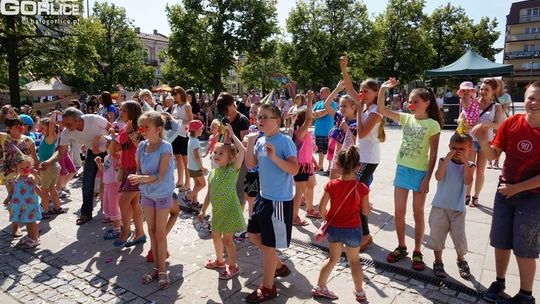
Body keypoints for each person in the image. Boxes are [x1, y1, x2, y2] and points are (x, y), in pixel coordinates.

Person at [473, 81, 540, 304]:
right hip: (504, 192)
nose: (534, 103)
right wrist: (483, 141)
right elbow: (493, 156)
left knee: (525, 247)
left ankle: (525, 295)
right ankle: (499, 282)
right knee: (500, 241)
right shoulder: (512, 122)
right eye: (531, 98)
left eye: (539, 99)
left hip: (532, 197)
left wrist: (516, 188)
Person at [377, 78, 443, 271]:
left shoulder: (433, 125)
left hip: (420, 173)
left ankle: (417, 251)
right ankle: (401, 246)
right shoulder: (406, 118)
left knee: (418, 213)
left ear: (427, 103)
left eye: (416, 102)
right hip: (402, 170)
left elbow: (433, 156)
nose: (411, 105)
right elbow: (381, 109)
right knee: (399, 212)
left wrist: (427, 180)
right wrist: (382, 89)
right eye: (410, 101)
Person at [245, 103, 298, 303]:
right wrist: (250, 142)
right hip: (262, 197)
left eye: (265, 117)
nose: (260, 121)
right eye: (259, 117)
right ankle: (278, 265)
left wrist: (275, 156)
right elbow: (250, 165)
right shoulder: (259, 141)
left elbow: (294, 169)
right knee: (252, 234)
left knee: (268, 246)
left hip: (278, 201)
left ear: (277, 120)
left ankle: (268, 288)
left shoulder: (284, 141)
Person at [312, 146, 369, 302]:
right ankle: (359, 292)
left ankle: (320, 286)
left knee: (332, 258)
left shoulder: (331, 185)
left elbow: (321, 207)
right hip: (353, 229)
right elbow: (365, 212)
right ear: (358, 166)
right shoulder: (362, 188)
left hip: (334, 228)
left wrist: (326, 220)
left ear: (338, 165)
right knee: (354, 261)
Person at [341, 55, 385, 251]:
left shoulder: (376, 110)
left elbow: (364, 132)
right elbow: (349, 88)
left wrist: (358, 111)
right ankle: (361, 232)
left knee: (355, 194)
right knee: (357, 195)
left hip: (368, 159)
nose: (362, 93)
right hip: (362, 157)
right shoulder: (365, 106)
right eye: (361, 91)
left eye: (366, 91)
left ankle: (365, 235)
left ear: (376, 93)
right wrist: (344, 68)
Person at [128, 111, 176, 290]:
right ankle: (157, 267)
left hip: (162, 194)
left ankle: (162, 271)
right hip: (147, 194)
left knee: (160, 233)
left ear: (158, 129)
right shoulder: (141, 146)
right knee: (152, 231)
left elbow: (161, 175)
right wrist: (138, 177)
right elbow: (140, 170)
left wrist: (140, 178)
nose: (142, 130)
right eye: (141, 127)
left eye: (146, 127)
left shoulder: (165, 147)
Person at [40, 107, 109, 225]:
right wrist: (49, 162)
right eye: (64, 123)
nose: (66, 126)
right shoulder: (67, 132)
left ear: (78, 119)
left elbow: (112, 129)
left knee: (113, 182)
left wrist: (109, 147)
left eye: (68, 123)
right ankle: (86, 214)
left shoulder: (93, 119)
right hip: (93, 151)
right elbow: (61, 152)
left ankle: (117, 214)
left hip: (109, 150)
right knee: (87, 183)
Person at [198, 124, 246, 280]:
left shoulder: (232, 170)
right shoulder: (213, 173)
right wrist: (203, 210)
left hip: (230, 211)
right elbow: (209, 194)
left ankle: (233, 266)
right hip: (218, 212)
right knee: (215, 235)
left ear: (230, 157)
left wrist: (232, 134)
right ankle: (219, 260)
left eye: (221, 153)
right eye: (215, 152)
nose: (216, 154)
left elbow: (243, 151)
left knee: (227, 239)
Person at [428, 133, 475, 279]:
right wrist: (447, 159)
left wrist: (466, 162)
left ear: (469, 150)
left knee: (459, 237)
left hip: (458, 209)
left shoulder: (471, 165)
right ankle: (438, 261)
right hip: (439, 206)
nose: (457, 152)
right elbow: (438, 177)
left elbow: (468, 181)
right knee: (437, 236)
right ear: (449, 147)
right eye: (454, 148)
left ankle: (461, 260)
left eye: (462, 149)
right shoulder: (444, 160)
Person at [1, 109, 40, 237]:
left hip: (26, 172)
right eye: (16, 126)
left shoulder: (29, 140)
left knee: (28, 198)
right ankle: (15, 227)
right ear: (9, 128)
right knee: (15, 200)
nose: (20, 128)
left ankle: (31, 222)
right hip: (10, 172)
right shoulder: (4, 138)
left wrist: (37, 172)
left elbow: (34, 157)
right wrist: (5, 114)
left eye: (21, 125)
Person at [113, 101, 146, 248]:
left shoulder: (139, 128)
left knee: (123, 201)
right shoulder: (124, 127)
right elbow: (121, 147)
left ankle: (125, 231)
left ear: (132, 112)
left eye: (124, 110)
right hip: (126, 169)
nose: (120, 111)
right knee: (133, 203)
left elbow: (140, 146)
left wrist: (130, 132)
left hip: (136, 170)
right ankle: (140, 233)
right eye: (121, 109)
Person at [466, 79, 503, 207]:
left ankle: (476, 196)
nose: (483, 92)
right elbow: (463, 115)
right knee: (470, 168)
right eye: (481, 89)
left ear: (493, 91)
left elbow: (498, 125)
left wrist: (485, 124)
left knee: (480, 171)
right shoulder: (473, 102)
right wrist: (462, 121)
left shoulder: (496, 106)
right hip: (471, 139)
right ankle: (467, 194)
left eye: (486, 89)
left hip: (485, 142)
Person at [291, 91, 320, 226]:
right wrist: (309, 100)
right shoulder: (300, 132)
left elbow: (306, 150)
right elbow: (309, 119)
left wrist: (314, 162)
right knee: (299, 192)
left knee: (310, 186)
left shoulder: (304, 133)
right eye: (310, 116)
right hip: (301, 167)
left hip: (307, 165)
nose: (312, 118)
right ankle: (294, 217)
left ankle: (309, 209)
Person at [216, 92, 249, 208]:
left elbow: (244, 144)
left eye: (225, 110)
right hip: (229, 158)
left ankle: (239, 218)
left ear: (230, 105)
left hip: (241, 159)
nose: (224, 113)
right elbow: (225, 141)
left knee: (239, 189)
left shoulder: (242, 120)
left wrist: (232, 135)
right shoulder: (225, 120)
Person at [325, 81, 357, 180]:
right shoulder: (340, 118)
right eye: (340, 106)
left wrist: (347, 129)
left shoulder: (357, 123)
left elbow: (356, 141)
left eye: (345, 106)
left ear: (353, 107)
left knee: (345, 184)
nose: (341, 108)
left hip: (349, 158)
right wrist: (337, 90)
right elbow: (326, 105)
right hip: (337, 156)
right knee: (332, 182)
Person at [9, 155, 42, 249]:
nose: (25, 169)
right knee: (27, 222)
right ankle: (30, 237)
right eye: (21, 168)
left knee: (32, 222)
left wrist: (35, 175)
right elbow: (14, 190)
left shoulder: (30, 177)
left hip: (30, 204)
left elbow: (37, 183)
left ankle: (35, 239)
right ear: (16, 169)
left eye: (27, 167)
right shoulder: (17, 178)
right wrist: (9, 198)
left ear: (31, 167)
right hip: (21, 205)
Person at [36, 114, 64, 217]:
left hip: (48, 168)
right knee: (52, 189)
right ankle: (58, 207)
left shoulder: (51, 137)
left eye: (43, 128)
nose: (40, 129)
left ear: (49, 128)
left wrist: (54, 114)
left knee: (44, 190)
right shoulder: (48, 137)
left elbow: (52, 123)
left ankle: (45, 211)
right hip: (52, 167)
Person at [95, 132, 121, 240]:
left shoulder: (117, 156)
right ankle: (119, 225)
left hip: (114, 185)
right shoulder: (106, 157)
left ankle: (117, 230)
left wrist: (114, 140)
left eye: (109, 142)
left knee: (113, 207)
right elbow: (103, 170)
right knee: (106, 206)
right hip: (107, 185)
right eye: (107, 142)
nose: (107, 144)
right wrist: (98, 163)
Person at [171, 86, 192, 190]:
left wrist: (178, 120)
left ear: (181, 93)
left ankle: (188, 183)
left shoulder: (187, 106)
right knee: (178, 158)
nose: (174, 95)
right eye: (173, 94)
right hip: (175, 135)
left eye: (176, 93)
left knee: (185, 160)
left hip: (184, 134)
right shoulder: (175, 106)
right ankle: (180, 180)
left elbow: (191, 121)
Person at [312, 87, 336, 175]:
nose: (319, 93)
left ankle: (330, 168)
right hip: (318, 131)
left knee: (330, 151)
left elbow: (322, 114)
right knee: (320, 151)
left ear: (327, 93)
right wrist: (317, 113)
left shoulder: (332, 104)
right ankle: (320, 166)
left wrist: (317, 113)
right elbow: (311, 114)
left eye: (321, 92)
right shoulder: (318, 103)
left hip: (328, 131)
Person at [186, 120, 207, 208]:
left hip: (191, 167)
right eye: (201, 129)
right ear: (196, 130)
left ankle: (194, 202)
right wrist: (202, 168)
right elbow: (197, 157)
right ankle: (188, 197)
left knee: (197, 185)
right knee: (203, 184)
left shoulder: (191, 139)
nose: (202, 130)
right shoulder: (195, 141)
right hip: (196, 168)